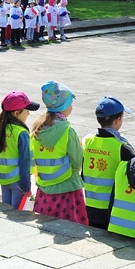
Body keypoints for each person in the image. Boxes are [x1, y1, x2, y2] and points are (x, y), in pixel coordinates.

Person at [30, 81, 88, 225]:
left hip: (44, 188)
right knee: (71, 226)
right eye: (70, 103)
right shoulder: (67, 130)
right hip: (67, 187)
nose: (71, 107)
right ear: (63, 107)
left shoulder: (37, 129)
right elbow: (77, 160)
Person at [83, 96, 135, 230]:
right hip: (111, 209)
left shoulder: (88, 142)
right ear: (118, 120)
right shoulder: (121, 147)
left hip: (89, 206)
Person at [0, 91, 38, 209]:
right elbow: (24, 161)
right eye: (27, 110)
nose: (28, 113)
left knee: (7, 212)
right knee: (17, 216)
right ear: (17, 113)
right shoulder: (21, 132)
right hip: (18, 182)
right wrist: (26, 187)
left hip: (4, 179)